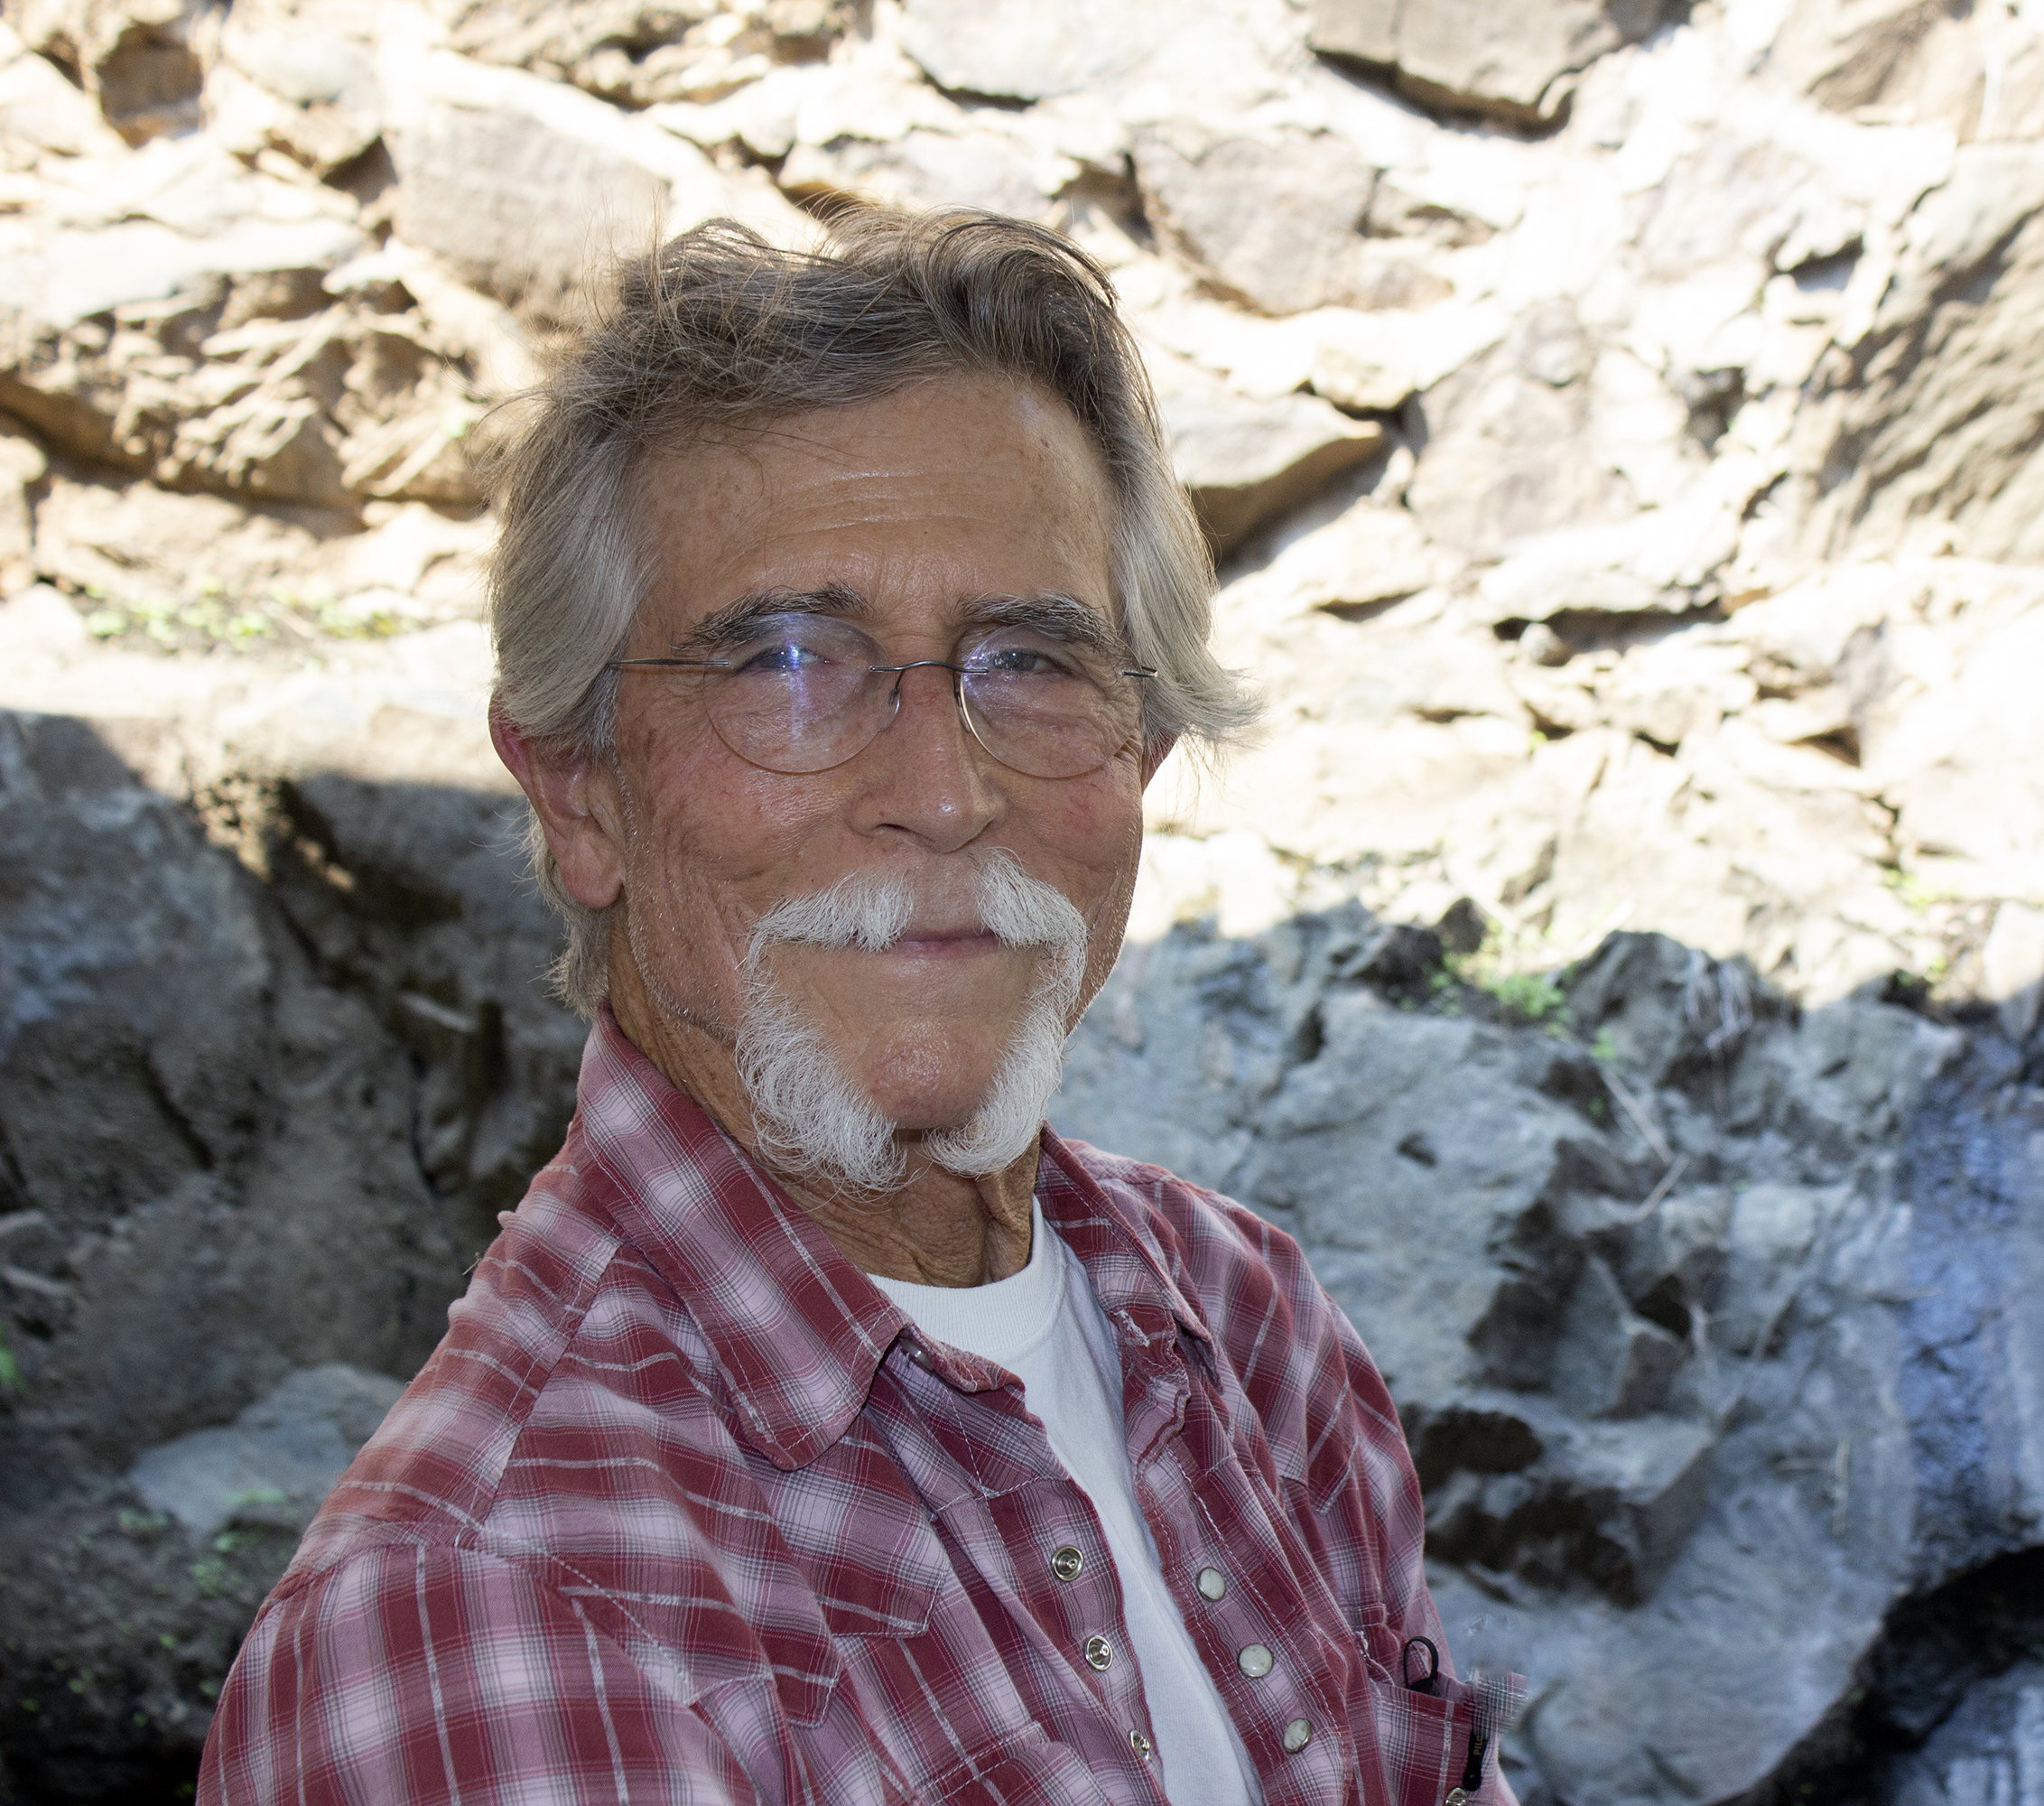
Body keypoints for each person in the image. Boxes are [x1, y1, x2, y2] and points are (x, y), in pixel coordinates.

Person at [198, 208, 1508, 1806]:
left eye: (1028, 661)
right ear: (580, 796)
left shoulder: (1245, 1322)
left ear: (1140, 760)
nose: (941, 792)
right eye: (792, 664)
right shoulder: (485, 1622)